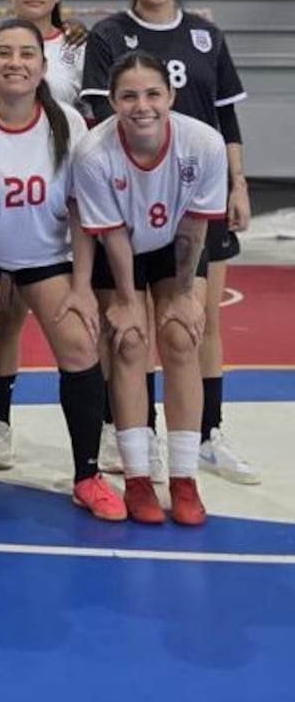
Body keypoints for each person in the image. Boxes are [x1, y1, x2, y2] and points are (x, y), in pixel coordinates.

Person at [80, 0, 256, 485]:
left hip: (195, 192)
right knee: (126, 328)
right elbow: (99, 118)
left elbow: (226, 119)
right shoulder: (110, 35)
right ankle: (131, 429)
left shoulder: (206, 35)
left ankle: (207, 435)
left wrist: (237, 181)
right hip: (130, 197)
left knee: (195, 321)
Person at [0, 19, 126, 522]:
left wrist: (84, 287)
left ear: (43, 67)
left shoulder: (67, 121)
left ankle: (88, 475)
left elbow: (80, 211)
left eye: (26, 54)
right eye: (4, 53)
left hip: (46, 255)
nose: (15, 63)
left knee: (81, 341)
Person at [73, 50, 228, 526]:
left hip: (173, 242)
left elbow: (195, 231)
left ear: (171, 96)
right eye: (129, 96)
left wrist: (184, 295)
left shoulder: (203, 143)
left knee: (182, 337)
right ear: (113, 101)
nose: (143, 106)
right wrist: (125, 300)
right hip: (118, 245)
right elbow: (113, 236)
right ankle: (138, 478)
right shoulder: (94, 152)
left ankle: (184, 479)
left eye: (153, 94)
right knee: (129, 342)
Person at [0, 0, 87, 470]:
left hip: (50, 199)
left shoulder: (78, 46)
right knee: (0, 318)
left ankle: (106, 430)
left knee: (73, 328)